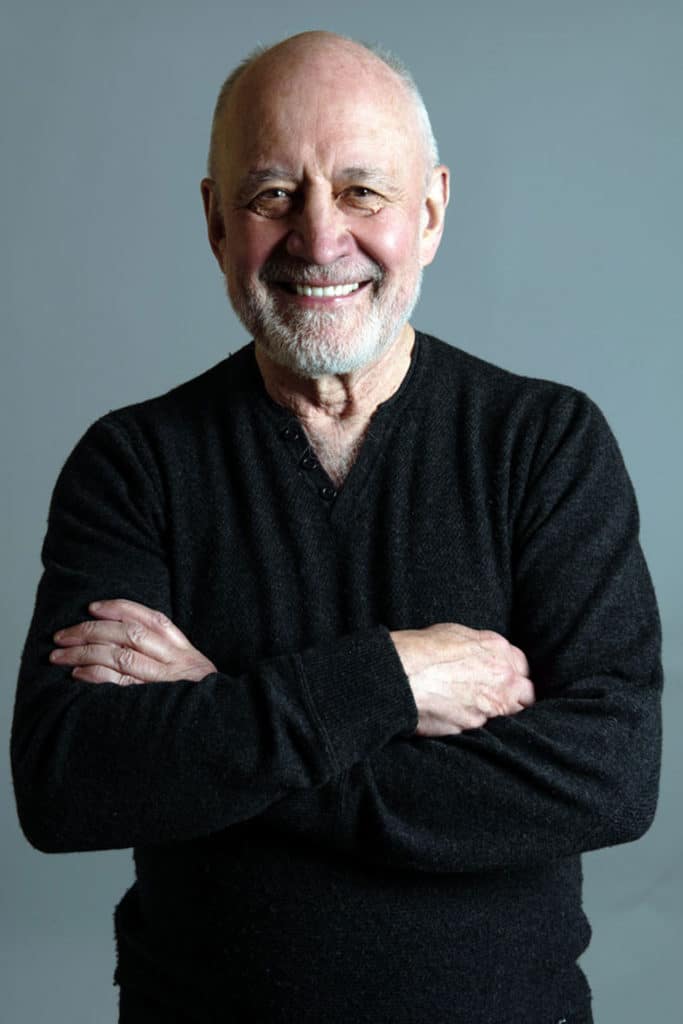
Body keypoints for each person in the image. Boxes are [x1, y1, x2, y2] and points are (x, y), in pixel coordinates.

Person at [11, 30, 662, 1024]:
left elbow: (609, 776)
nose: (319, 240)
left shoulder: (543, 443)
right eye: (273, 194)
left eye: (362, 192)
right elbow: (72, 783)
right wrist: (390, 678)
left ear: (430, 211)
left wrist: (225, 717)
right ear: (215, 222)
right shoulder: (134, 463)